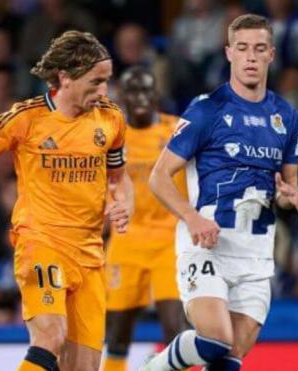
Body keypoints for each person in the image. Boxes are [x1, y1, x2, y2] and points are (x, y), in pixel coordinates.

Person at [0, 31, 134, 371]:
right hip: (42, 242)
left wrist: (121, 202)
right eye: (96, 82)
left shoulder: (111, 119)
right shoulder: (26, 117)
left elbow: (118, 178)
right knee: (50, 336)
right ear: (65, 77)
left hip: (91, 255)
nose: (104, 91)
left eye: (107, 81)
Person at [143, 13, 298, 371]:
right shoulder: (206, 110)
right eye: (243, 48)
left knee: (229, 361)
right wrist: (191, 217)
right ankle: (153, 368)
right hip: (207, 244)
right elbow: (159, 178)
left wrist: (288, 196)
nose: (250, 57)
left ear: (271, 55)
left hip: (256, 256)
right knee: (216, 340)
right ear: (228, 53)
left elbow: (285, 186)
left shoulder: (287, 116)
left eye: (259, 49)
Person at [102, 66, 188, 371]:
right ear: (121, 97)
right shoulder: (111, 136)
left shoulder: (177, 130)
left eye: (146, 90)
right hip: (126, 239)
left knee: (174, 329)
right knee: (117, 332)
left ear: (156, 95)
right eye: (133, 91)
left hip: (170, 240)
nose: (140, 97)